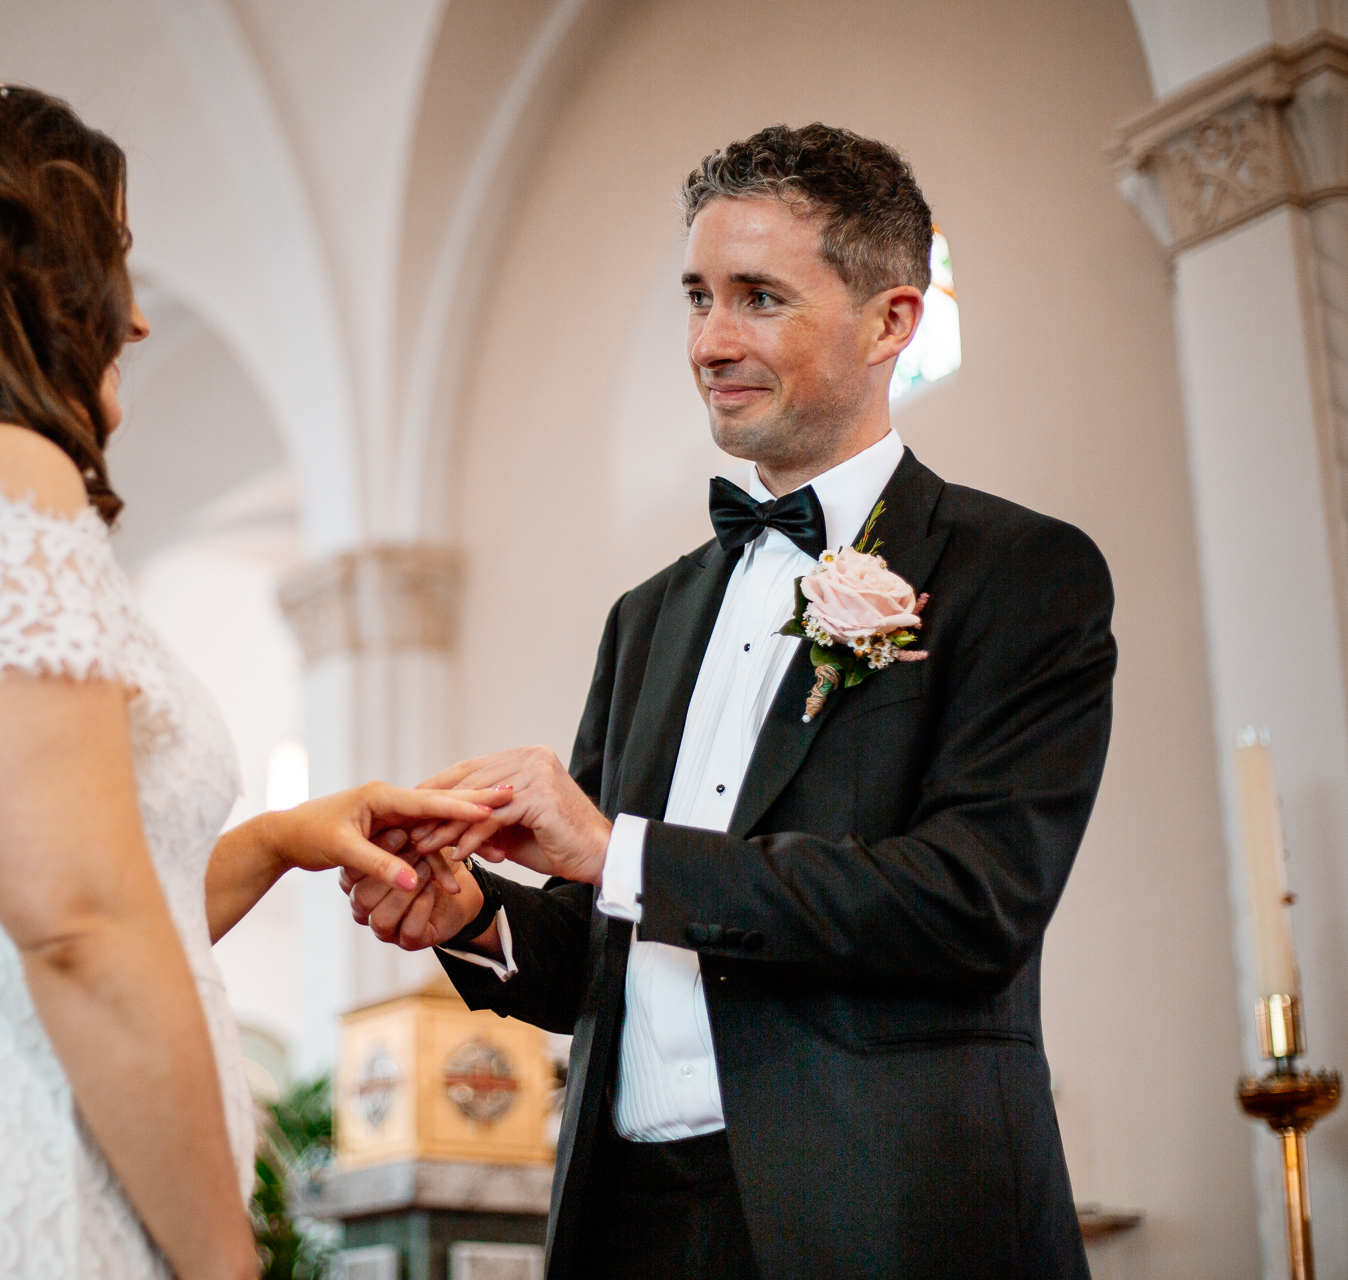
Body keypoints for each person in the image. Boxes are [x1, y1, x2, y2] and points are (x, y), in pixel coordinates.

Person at [0, 77, 506, 1280]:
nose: (136, 317)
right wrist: (225, 1262)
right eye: (110, 259)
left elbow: (9, 911)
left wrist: (274, 838)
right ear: (22, 275)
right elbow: (76, 923)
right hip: (6, 1176)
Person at [346, 124, 1114, 1279]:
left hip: (883, 1217)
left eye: (759, 297)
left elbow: (972, 902)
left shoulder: (1019, 572)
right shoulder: (645, 617)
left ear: (891, 320)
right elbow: (606, 949)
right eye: (698, 296)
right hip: (633, 1224)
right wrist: (470, 912)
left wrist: (615, 847)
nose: (711, 340)